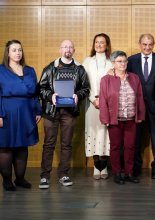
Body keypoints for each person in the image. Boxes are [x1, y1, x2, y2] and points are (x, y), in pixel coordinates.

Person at [38, 39, 90, 189]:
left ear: (74, 50)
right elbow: (41, 88)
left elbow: (85, 89)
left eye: (70, 47)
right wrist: (50, 96)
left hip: (69, 112)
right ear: (60, 50)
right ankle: (44, 176)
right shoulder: (50, 68)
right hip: (51, 112)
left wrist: (77, 96)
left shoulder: (80, 69)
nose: (67, 49)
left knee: (66, 144)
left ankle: (63, 174)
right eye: (64, 47)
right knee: (49, 144)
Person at [0, 40, 42, 191]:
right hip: (6, 112)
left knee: (22, 147)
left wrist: (37, 110)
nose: (18, 53)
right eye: (14, 50)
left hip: (26, 112)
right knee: (5, 147)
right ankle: (6, 181)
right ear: (8, 53)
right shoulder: (1, 70)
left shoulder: (30, 70)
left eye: (20, 50)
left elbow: (35, 94)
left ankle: (20, 179)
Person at [100, 51, 146, 185]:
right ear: (113, 63)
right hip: (115, 119)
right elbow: (103, 100)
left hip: (131, 118)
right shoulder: (106, 79)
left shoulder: (134, 77)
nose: (123, 64)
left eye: (125, 61)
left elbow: (139, 97)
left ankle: (129, 172)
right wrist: (105, 119)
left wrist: (140, 115)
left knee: (130, 146)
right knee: (115, 146)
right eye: (119, 61)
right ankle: (117, 173)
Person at [127, 34, 155, 179]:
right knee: (135, 139)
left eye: (150, 44)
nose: (147, 47)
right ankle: (135, 168)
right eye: (144, 44)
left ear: (154, 44)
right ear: (139, 44)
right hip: (136, 107)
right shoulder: (131, 60)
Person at [83, 33, 112, 180]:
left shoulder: (112, 62)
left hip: (108, 105)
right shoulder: (87, 61)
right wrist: (93, 99)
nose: (99, 45)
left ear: (107, 45)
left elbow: (114, 84)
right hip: (92, 105)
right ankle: (96, 166)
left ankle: (104, 166)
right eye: (97, 42)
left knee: (106, 133)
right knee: (94, 132)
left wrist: (104, 100)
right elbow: (83, 83)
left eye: (102, 42)